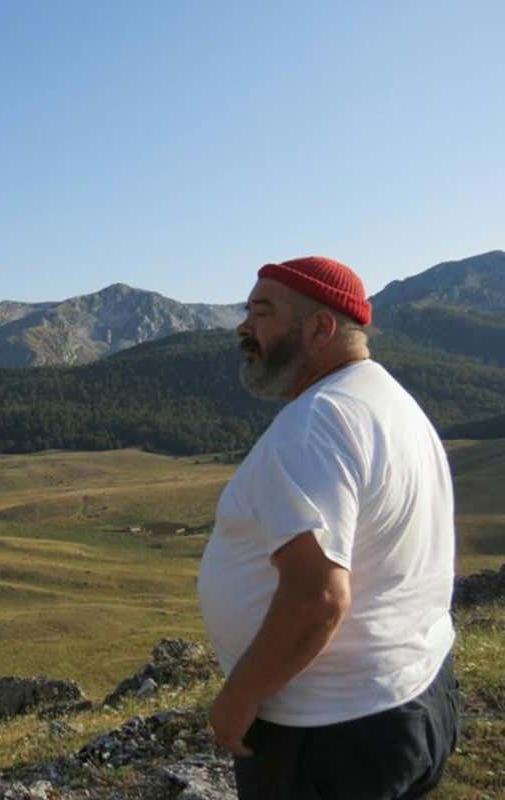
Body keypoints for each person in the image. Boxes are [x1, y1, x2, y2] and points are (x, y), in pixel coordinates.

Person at [197, 256, 460, 799]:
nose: (245, 327)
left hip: (330, 737)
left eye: (262, 312)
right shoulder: (385, 398)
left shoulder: (314, 425)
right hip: (409, 698)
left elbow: (317, 596)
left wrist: (238, 701)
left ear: (321, 327)